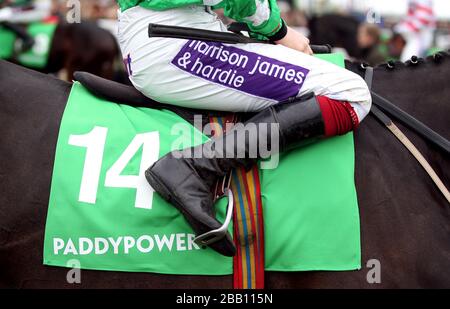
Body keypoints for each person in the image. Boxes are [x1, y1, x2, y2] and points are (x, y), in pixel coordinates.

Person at [116, 0, 372, 256]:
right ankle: (195, 165)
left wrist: (263, 33)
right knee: (351, 93)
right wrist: (279, 31)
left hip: (166, 33)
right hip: (173, 42)